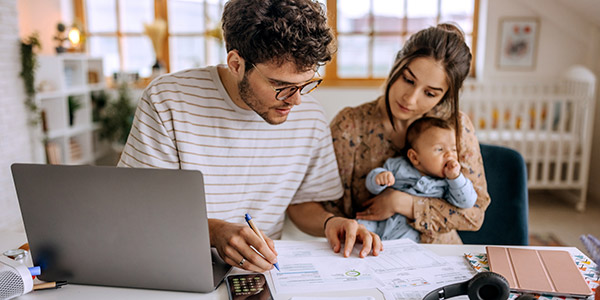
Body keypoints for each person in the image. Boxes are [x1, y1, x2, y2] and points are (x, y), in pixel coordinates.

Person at [117, 0, 382, 273]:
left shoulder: (310, 115)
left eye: (306, 84)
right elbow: (139, 210)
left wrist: (330, 223)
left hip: (261, 274)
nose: (296, 101)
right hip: (176, 263)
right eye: (281, 86)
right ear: (236, 63)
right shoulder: (169, 99)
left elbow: (303, 204)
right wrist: (214, 232)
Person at [324, 23, 491, 244]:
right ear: (396, 64)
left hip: (439, 258)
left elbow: (474, 214)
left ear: (445, 96)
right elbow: (325, 208)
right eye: (408, 80)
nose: (410, 99)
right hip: (366, 253)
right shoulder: (350, 125)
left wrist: (401, 203)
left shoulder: (457, 127)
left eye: (430, 93)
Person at [361, 117, 477, 241]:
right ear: (415, 157)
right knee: (359, 228)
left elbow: (467, 202)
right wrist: (379, 178)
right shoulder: (398, 166)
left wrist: (455, 178)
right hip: (379, 221)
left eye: (454, 149)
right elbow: (372, 188)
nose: (450, 155)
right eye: (440, 149)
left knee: (405, 247)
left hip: (409, 230)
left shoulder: (448, 183)